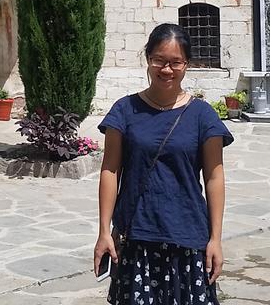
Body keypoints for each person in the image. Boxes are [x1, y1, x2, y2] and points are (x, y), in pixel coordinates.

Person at [94, 24, 234, 305]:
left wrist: (215, 239)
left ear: (187, 65)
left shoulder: (202, 116)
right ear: (148, 59)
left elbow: (214, 178)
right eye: (159, 60)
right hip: (137, 237)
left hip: (187, 237)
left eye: (176, 62)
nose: (166, 69)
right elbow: (110, 170)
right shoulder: (124, 110)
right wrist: (103, 232)